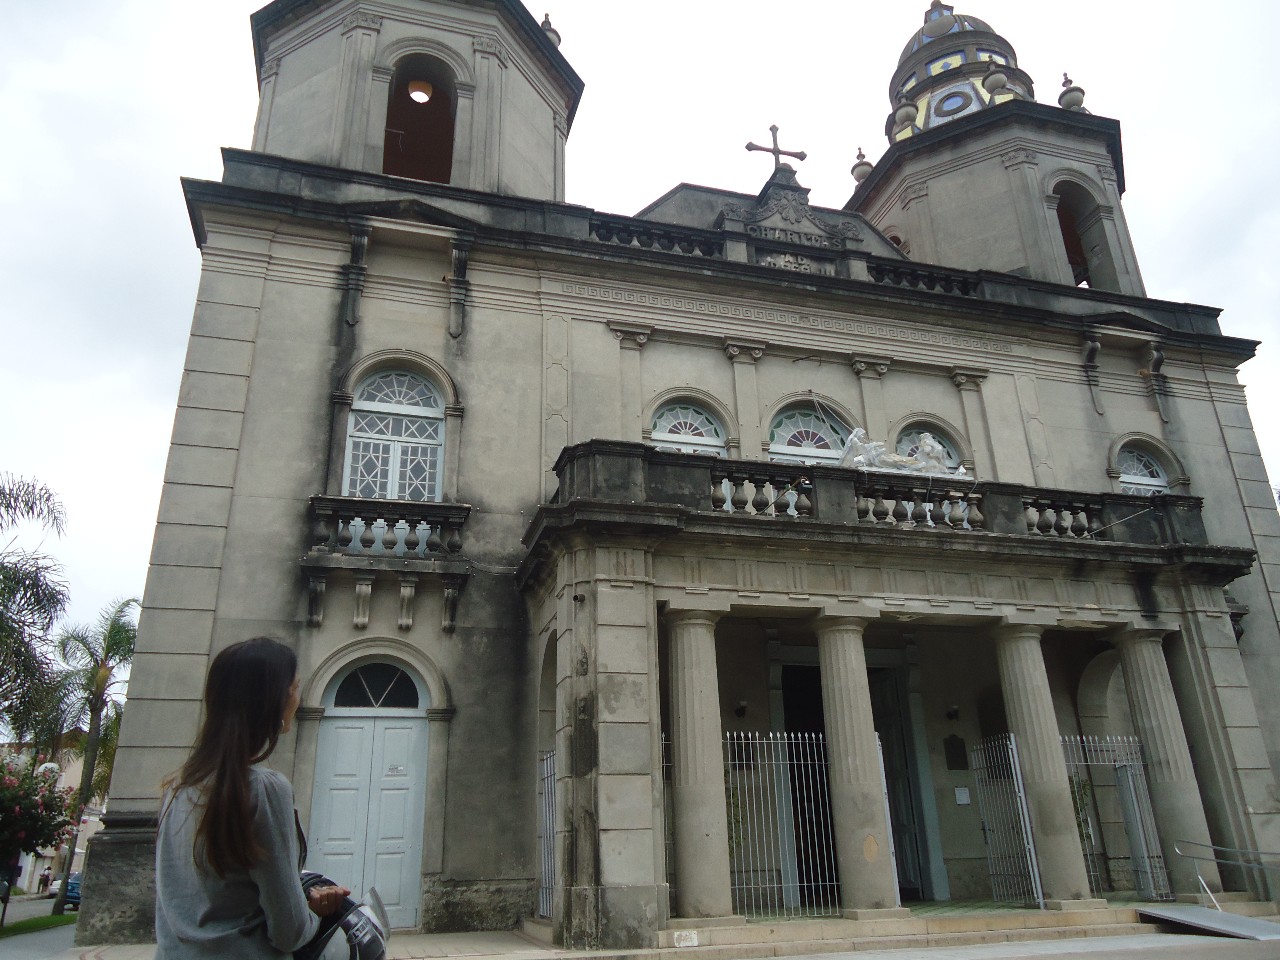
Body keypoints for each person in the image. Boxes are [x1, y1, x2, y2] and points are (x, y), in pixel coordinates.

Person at [155, 637, 349, 958]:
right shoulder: (263, 789)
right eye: (295, 688)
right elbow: (289, 932)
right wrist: (315, 913)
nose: (297, 697)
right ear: (274, 701)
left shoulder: (177, 788)